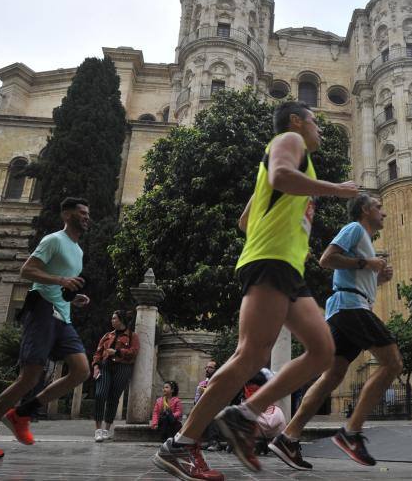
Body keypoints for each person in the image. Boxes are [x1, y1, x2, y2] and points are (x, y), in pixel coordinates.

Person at [152, 100, 358, 481]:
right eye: (315, 122)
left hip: (284, 265)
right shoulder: (290, 140)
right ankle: (181, 443)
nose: (320, 129)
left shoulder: (296, 156)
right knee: (250, 355)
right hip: (271, 261)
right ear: (296, 121)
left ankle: (244, 416)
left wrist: (288, 233)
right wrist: (336, 190)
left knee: (322, 350)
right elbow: (279, 177)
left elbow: (246, 220)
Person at [269, 194, 399, 470]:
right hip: (351, 308)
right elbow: (327, 259)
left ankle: (288, 437)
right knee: (393, 364)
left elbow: (355, 278)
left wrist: (377, 277)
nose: (384, 212)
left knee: (333, 375)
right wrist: (366, 264)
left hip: (345, 308)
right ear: (364, 210)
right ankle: (351, 432)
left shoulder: (365, 241)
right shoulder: (354, 229)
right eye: (379, 207)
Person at [0, 197, 92, 458]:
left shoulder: (78, 251)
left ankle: (22, 413)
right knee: (29, 378)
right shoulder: (53, 240)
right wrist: (61, 280)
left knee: (81, 371)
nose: (87, 217)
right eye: (81, 213)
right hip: (42, 310)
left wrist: (72, 297)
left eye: (88, 213)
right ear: (67, 215)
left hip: (62, 315)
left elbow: (58, 284)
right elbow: (27, 271)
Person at [92, 309, 139, 442]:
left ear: (121, 320)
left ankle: (106, 430)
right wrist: (96, 366)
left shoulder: (132, 336)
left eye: (114, 318)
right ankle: (98, 430)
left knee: (113, 398)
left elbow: (134, 352)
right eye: (112, 318)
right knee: (100, 395)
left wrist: (117, 352)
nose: (112, 320)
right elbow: (98, 353)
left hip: (123, 368)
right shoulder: (107, 335)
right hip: (105, 366)